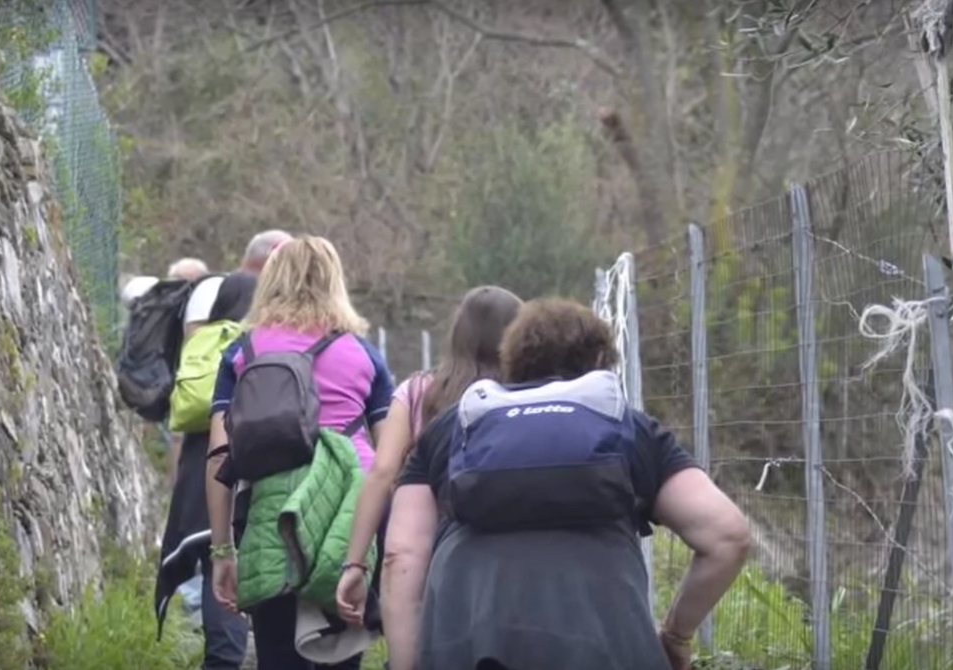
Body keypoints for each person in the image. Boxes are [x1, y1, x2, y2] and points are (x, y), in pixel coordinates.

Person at [398, 297, 750, 670]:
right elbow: (726, 536)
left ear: (512, 361)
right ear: (600, 363)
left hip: (468, 639)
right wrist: (676, 635)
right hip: (607, 641)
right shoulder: (628, 427)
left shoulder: (455, 427)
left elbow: (401, 556)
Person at [206, 236, 395, 670]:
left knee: (277, 657)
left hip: (273, 512)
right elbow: (390, 462)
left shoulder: (243, 351)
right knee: (341, 654)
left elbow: (219, 456)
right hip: (349, 516)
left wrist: (222, 552)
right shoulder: (365, 355)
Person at [335, 286, 523, 670]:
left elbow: (383, 473)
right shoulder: (527, 396)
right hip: (510, 559)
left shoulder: (419, 392)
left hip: (427, 558)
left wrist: (355, 563)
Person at [153, 231, 291, 670]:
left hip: (209, 446)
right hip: (273, 448)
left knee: (220, 554)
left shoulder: (211, 292)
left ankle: (223, 660)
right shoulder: (282, 317)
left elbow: (192, 382)